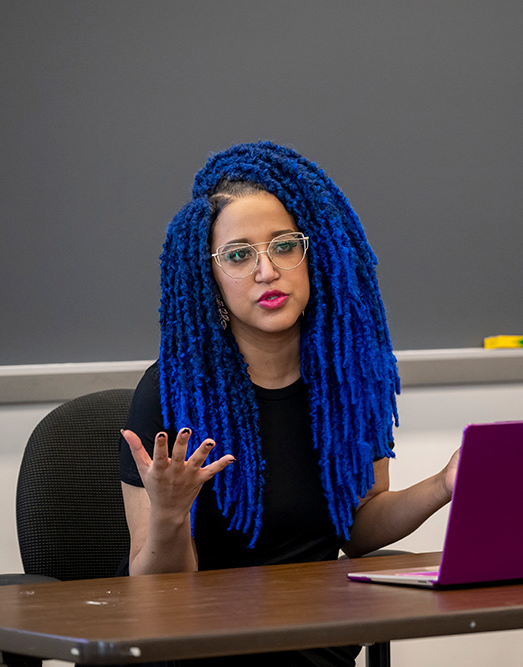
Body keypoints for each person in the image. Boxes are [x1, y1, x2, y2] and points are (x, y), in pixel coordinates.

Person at [118, 142, 458, 666]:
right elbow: (157, 593)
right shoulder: (170, 394)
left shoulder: (346, 383)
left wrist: (443, 485)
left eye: (283, 246)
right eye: (238, 254)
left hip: (314, 639)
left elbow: (359, 527)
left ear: (314, 255)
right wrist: (169, 513)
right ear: (209, 279)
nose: (266, 271)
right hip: (199, 647)